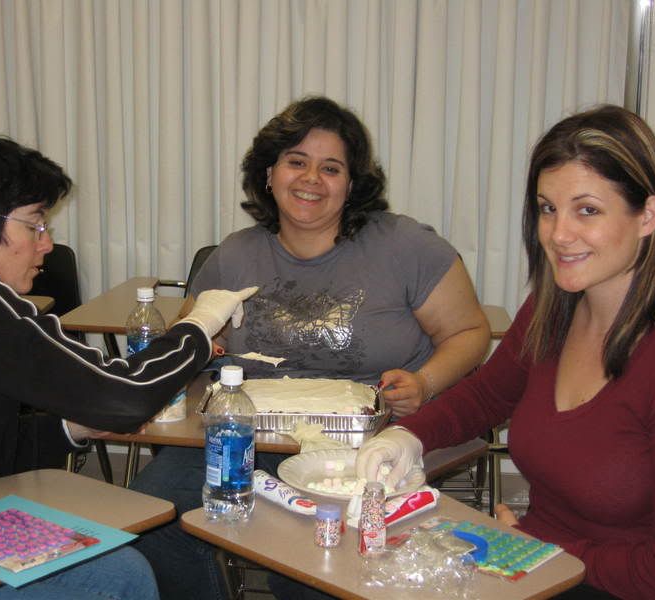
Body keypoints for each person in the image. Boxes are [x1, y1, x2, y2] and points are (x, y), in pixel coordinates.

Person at [130, 96, 490, 599]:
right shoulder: (234, 255)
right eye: (297, 162)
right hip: (246, 440)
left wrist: (425, 382)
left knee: (305, 558)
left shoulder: (405, 246)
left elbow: (470, 333)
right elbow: (188, 343)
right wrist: (204, 347)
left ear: (353, 183)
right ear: (270, 173)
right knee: (156, 516)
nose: (311, 180)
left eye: (331, 168)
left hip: (364, 446)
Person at [0, 136, 256, 600]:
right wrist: (202, 325)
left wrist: (73, 427)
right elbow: (125, 396)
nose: (48, 244)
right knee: (119, 576)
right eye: (35, 225)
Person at [357, 105, 655, 599]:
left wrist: (543, 550)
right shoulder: (552, 309)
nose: (558, 234)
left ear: (649, 216)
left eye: (588, 210)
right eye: (547, 207)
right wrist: (405, 437)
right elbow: (487, 397)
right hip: (537, 569)